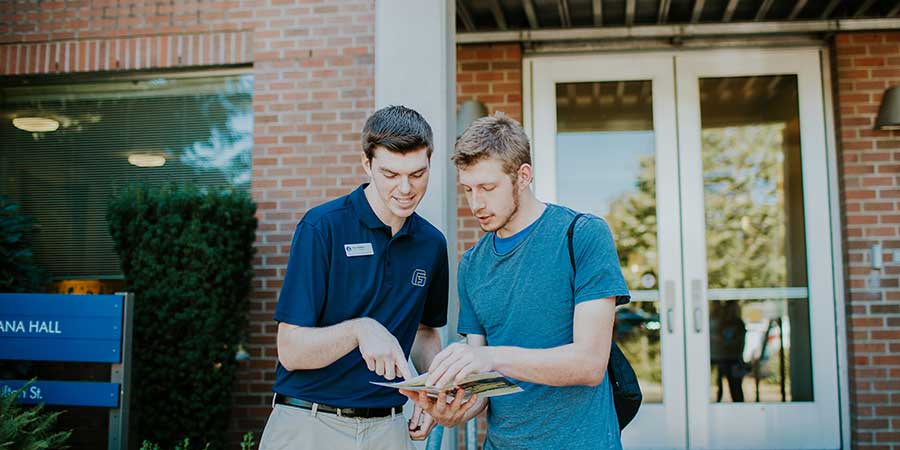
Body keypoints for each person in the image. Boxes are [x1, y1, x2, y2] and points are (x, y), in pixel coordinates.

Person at [402, 112, 631, 450]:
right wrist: (453, 411)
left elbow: (589, 363)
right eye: (467, 189)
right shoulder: (472, 265)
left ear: (523, 176)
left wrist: (491, 358)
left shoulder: (581, 235)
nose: (475, 204)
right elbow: (484, 386)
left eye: (487, 188)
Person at [259, 105, 448, 450]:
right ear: (367, 165)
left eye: (417, 174)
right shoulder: (322, 227)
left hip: (389, 429)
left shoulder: (432, 245)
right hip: (309, 425)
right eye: (391, 175)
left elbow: (424, 331)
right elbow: (290, 350)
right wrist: (360, 330)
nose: (406, 188)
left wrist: (431, 389)